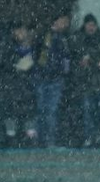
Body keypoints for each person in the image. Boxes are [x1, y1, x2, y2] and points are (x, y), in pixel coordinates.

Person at [74, 13, 100, 147]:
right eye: (89, 25)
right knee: (87, 112)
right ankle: (89, 137)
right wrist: (81, 63)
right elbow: (73, 61)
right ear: (84, 25)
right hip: (86, 84)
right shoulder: (77, 39)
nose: (91, 28)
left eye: (93, 25)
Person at [35, 14, 72, 148]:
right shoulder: (45, 35)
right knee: (42, 110)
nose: (65, 24)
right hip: (43, 78)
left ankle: (49, 140)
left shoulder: (64, 38)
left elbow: (66, 58)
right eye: (63, 21)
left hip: (55, 79)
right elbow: (38, 55)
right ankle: (41, 140)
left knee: (51, 111)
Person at [0, 19, 38, 144]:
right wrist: (16, 65)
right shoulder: (7, 44)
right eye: (19, 30)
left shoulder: (31, 45)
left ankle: (29, 135)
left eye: (23, 31)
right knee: (11, 112)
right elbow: (4, 62)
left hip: (26, 85)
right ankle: (11, 136)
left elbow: (36, 61)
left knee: (28, 111)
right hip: (11, 85)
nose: (22, 33)